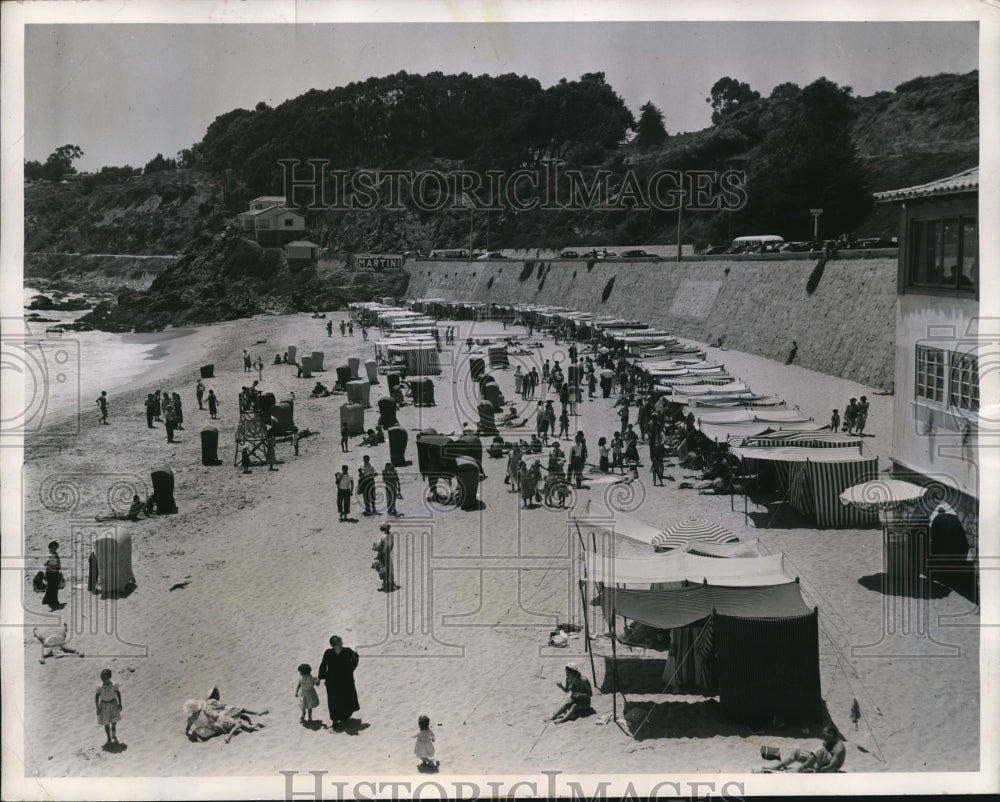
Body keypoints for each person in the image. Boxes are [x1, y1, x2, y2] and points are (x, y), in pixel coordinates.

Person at [318, 636, 360, 729]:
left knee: (347, 698)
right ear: (334, 645)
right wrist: (320, 677)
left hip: (346, 680)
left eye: (341, 642)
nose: (341, 644)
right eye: (339, 643)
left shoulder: (347, 651)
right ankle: (335, 720)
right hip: (332, 681)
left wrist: (350, 669)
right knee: (333, 701)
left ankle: (344, 717)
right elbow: (323, 665)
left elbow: (356, 657)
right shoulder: (328, 653)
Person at [764, 726, 846, 772]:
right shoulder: (827, 741)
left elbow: (831, 766)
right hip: (820, 763)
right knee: (797, 751)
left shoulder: (839, 749)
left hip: (830, 770)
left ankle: (799, 769)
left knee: (820, 749)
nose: (823, 737)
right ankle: (778, 766)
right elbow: (817, 756)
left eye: (825, 735)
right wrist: (811, 761)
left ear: (831, 734)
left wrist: (815, 770)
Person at [95, 668, 122, 745]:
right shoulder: (100, 686)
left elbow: (118, 693)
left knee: (114, 722)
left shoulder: (114, 685)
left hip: (113, 703)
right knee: (106, 723)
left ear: (109, 677)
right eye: (102, 678)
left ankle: (113, 735)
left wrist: (120, 703)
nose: (104, 679)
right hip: (104, 705)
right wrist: (97, 707)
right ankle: (109, 738)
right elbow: (96, 697)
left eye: (105, 678)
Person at [373, 523, 398, 592]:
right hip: (388, 552)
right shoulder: (391, 535)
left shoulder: (383, 537)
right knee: (389, 567)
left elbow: (380, 547)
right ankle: (391, 582)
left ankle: (385, 585)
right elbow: (392, 545)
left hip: (383, 553)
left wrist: (378, 556)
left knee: (382, 568)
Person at [41, 540, 62, 610]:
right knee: (52, 588)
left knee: (51, 588)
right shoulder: (50, 555)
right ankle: (54, 602)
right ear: (50, 548)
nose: (55, 549)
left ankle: (47, 601)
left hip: (54, 573)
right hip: (51, 573)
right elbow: (45, 564)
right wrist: (53, 568)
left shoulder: (55, 553)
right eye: (54, 547)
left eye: (56, 547)